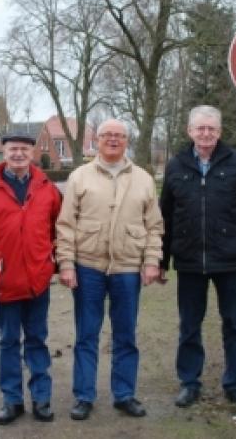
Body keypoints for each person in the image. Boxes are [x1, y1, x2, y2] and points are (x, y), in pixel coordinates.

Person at [159, 105, 236, 409]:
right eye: (200, 128)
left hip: (230, 259)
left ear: (220, 132)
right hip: (189, 261)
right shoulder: (176, 166)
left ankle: (235, 382)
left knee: (234, 324)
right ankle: (189, 381)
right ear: (189, 131)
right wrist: (161, 262)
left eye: (211, 128)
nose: (206, 133)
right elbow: (165, 219)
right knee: (189, 324)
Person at [55, 119, 164, 421]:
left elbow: (154, 226)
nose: (114, 140)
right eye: (107, 135)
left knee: (125, 334)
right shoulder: (80, 176)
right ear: (97, 140)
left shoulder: (143, 179)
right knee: (87, 334)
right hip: (88, 266)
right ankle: (84, 396)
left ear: (127, 140)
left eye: (120, 136)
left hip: (128, 268)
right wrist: (66, 263)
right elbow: (65, 225)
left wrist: (152, 261)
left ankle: (124, 394)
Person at [0, 132, 62, 425]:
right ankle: (12, 400)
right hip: (5, 283)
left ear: (32, 153)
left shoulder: (48, 189)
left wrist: (51, 263)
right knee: (8, 342)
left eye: (23, 149)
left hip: (37, 282)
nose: (18, 154)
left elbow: (60, 231)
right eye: (12, 149)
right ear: (3, 153)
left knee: (37, 340)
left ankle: (41, 398)